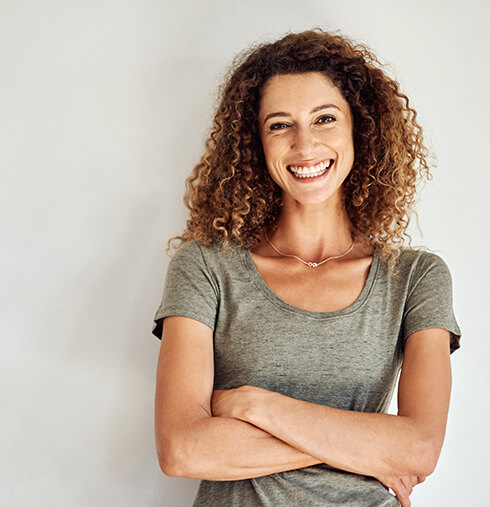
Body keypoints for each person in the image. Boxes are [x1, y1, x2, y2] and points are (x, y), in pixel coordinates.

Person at [151, 29, 461, 507]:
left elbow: (418, 448)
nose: (305, 144)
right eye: (279, 125)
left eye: (325, 119)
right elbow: (182, 449)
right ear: (256, 142)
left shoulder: (415, 278)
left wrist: (253, 405)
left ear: (360, 128)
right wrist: (367, 445)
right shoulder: (207, 266)